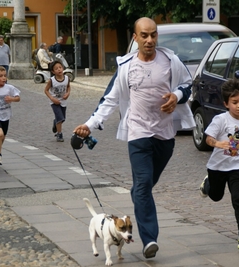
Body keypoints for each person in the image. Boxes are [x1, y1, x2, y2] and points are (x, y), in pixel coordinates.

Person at [73, 17, 195, 259]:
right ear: (135, 38)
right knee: (142, 185)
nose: (150, 40)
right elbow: (109, 99)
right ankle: (149, 239)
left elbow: (188, 84)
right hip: (138, 133)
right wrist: (89, 125)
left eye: (153, 35)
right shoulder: (126, 65)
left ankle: (139, 199)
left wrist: (177, 95)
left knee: (144, 186)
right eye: (144, 36)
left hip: (165, 135)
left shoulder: (171, 60)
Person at [199, 78, 239, 250]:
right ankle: (208, 184)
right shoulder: (220, 120)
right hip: (217, 167)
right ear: (226, 103)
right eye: (234, 102)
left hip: (236, 166)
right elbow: (209, 138)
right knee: (216, 196)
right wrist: (218, 144)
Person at [44, 61, 71, 142]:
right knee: (60, 118)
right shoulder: (51, 81)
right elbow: (46, 90)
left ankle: (55, 122)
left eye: (60, 67)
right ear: (53, 71)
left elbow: (68, 87)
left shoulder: (67, 78)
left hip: (63, 102)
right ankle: (59, 134)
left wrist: (67, 94)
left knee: (63, 118)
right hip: (54, 102)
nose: (59, 70)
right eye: (56, 69)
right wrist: (52, 99)